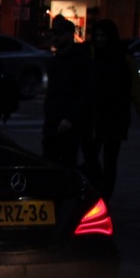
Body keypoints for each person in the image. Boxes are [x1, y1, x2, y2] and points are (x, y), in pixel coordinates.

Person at [82, 18, 140, 197]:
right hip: (94, 117)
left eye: (104, 36)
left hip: (114, 117)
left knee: (110, 160)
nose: (100, 39)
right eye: (97, 35)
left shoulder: (123, 57)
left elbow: (135, 88)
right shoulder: (91, 55)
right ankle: (99, 189)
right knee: (92, 158)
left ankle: (105, 193)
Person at [42, 15, 95, 169]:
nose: (56, 38)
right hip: (54, 122)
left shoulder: (81, 61)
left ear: (70, 35)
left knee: (66, 164)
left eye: (60, 34)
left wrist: (70, 117)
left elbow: (87, 93)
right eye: (55, 34)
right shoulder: (56, 61)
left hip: (70, 124)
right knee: (51, 163)